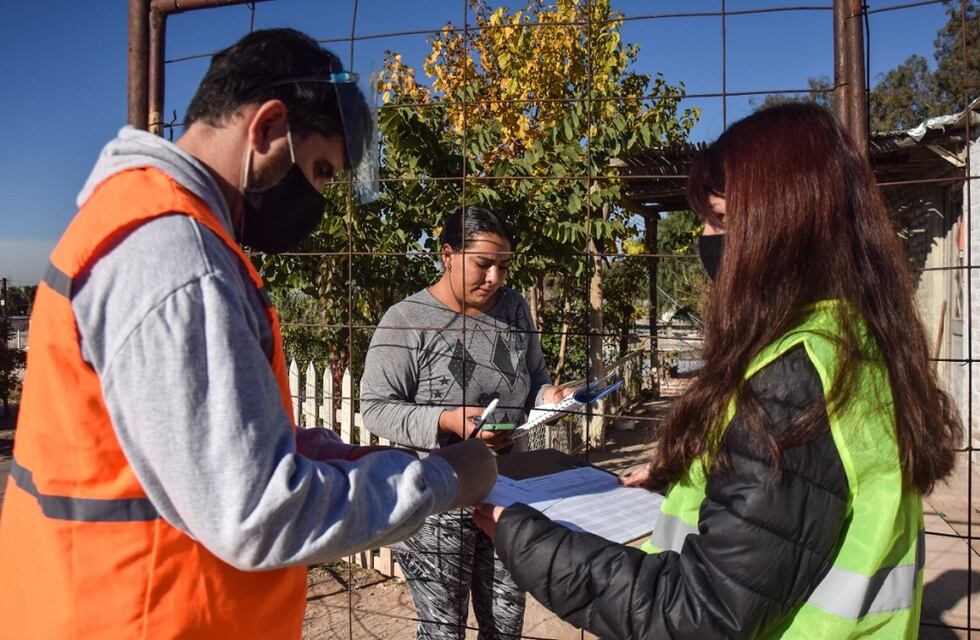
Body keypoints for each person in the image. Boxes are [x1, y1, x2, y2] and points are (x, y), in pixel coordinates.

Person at [0, 29, 496, 639]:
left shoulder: (149, 223)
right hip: (142, 620)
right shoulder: (177, 258)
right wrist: (446, 481)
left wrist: (352, 457)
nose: (318, 198)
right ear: (267, 128)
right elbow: (257, 510)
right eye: (319, 170)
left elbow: (220, 440)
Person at [473, 103, 963, 639]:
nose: (704, 240)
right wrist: (698, 473)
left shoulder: (793, 379)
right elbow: (802, 505)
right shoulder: (854, 340)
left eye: (721, 221)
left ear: (785, 229)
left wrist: (527, 539)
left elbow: (698, 615)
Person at [360, 205, 572, 639]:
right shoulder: (405, 321)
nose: (495, 278)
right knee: (443, 630)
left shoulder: (514, 309)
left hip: (507, 490)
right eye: (483, 264)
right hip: (437, 499)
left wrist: (549, 396)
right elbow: (375, 407)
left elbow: (534, 376)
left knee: (506, 626)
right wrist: (447, 420)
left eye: (503, 266)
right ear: (447, 255)